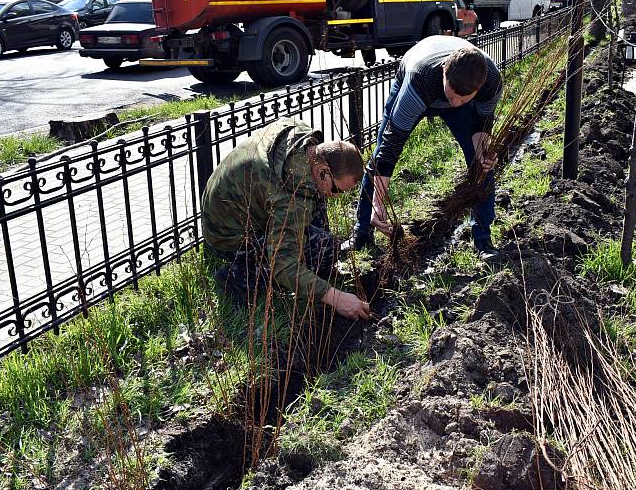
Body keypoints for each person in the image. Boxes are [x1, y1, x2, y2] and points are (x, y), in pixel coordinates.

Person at [344, 35, 502, 259]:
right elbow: (390, 147)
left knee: (482, 165)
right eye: (452, 96)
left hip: (450, 89)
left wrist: (482, 153)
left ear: (478, 88)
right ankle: (362, 231)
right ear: (444, 71)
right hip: (418, 83)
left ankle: (482, 237)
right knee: (380, 152)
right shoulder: (421, 79)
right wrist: (379, 202)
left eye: (463, 99)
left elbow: (480, 125)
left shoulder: (491, 82)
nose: (455, 103)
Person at [201, 117, 370, 321]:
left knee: (318, 205)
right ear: (323, 171)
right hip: (227, 236)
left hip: (226, 209)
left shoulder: (303, 139)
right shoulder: (291, 196)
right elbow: (283, 264)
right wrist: (335, 297)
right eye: (337, 190)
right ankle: (239, 276)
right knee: (323, 252)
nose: (335, 196)